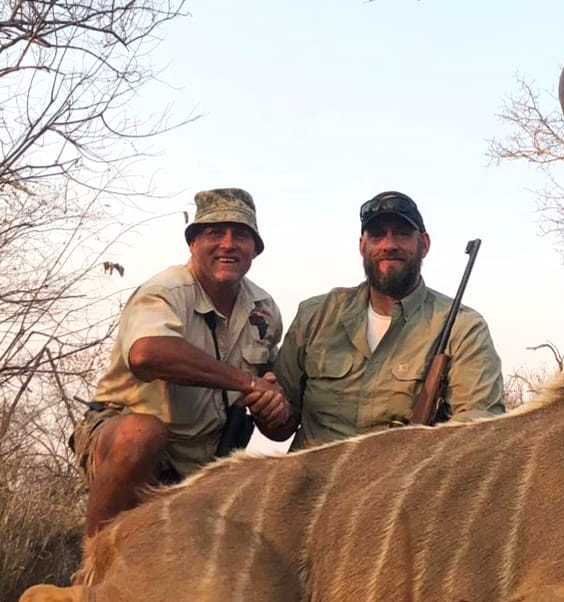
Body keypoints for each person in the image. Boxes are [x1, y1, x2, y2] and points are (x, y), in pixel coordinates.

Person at [71, 188, 290, 535]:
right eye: (215, 233)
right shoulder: (165, 290)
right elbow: (146, 354)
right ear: (193, 243)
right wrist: (247, 383)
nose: (228, 244)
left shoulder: (264, 310)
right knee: (141, 435)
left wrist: (272, 406)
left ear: (255, 250)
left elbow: (275, 426)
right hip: (129, 444)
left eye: (241, 235)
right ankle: (92, 569)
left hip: (209, 461)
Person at [274, 191, 504, 448]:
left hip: (404, 484)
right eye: (377, 235)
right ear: (362, 245)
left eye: (402, 233)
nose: (389, 244)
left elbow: (480, 429)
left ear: (424, 244)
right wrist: (269, 408)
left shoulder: (463, 327)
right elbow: (280, 427)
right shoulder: (315, 315)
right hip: (310, 484)